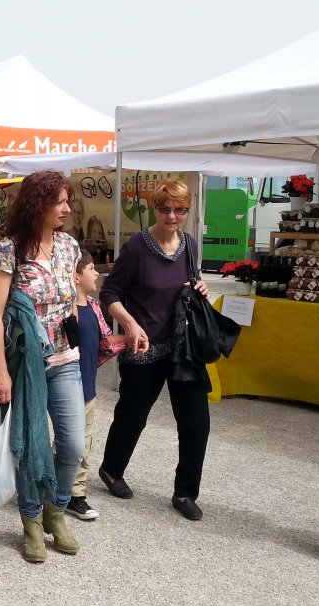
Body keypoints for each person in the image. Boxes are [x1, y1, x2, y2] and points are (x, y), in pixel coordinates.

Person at [97, 180, 212, 522]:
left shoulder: (189, 244)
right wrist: (130, 324)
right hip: (144, 346)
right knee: (133, 415)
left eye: (180, 210)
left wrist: (199, 287)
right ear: (154, 209)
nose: (172, 216)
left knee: (196, 422)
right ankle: (111, 469)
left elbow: (187, 284)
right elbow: (109, 293)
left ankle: (185, 492)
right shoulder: (137, 247)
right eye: (165, 209)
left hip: (183, 347)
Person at [0, 170, 85, 563]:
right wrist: (0, 369)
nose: (66, 208)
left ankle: (55, 511)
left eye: (67, 200)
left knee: (73, 444)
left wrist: (77, 329)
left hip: (65, 359)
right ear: (36, 204)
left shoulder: (69, 246)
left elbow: (72, 299)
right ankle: (30, 521)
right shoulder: (9, 249)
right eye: (58, 201)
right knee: (28, 445)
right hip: (25, 362)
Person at [66, 252, 122, 521]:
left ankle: (75, 494)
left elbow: (105, 343)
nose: (97, 273)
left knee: (83, 443)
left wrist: (131, 337)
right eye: (90, 268)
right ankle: (54, 488)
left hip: (87, 386)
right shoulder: (64, 308)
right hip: (65, 386)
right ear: (76, 276)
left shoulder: (94, 306)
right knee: (69, 442)